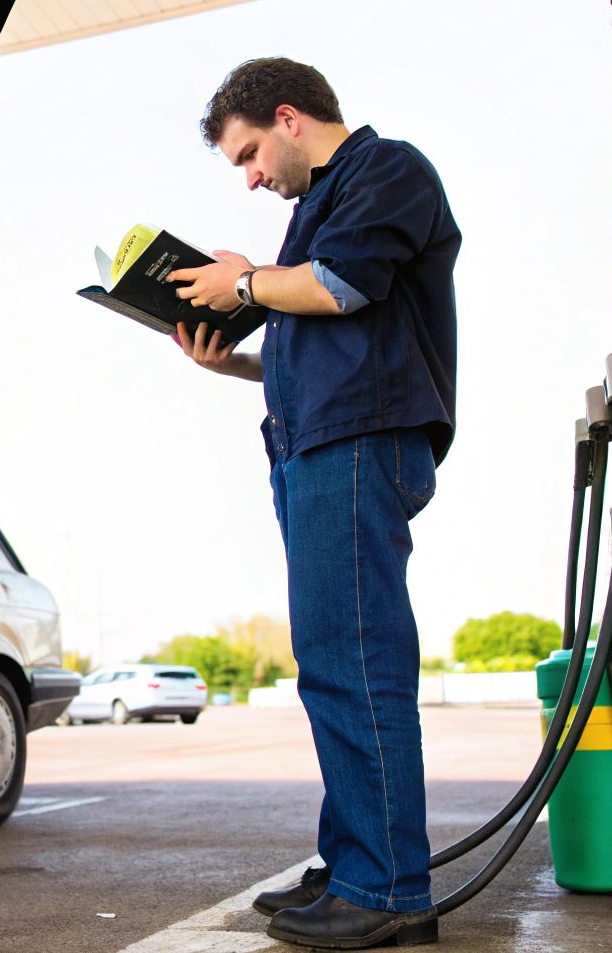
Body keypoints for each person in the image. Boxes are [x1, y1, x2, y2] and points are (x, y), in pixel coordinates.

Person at [167, 58, 459, 949]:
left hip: (360, 445)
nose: (252, 176)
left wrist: (247, 283)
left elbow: (347, 287)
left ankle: (387, 894)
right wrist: (238, 359)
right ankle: (356, 863)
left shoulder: (386, 170)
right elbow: (323, 337)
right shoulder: (306, 223)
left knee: (357, 663)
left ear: (289, 118)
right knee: (331, 664)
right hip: (318, 446)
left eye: (250, 154)